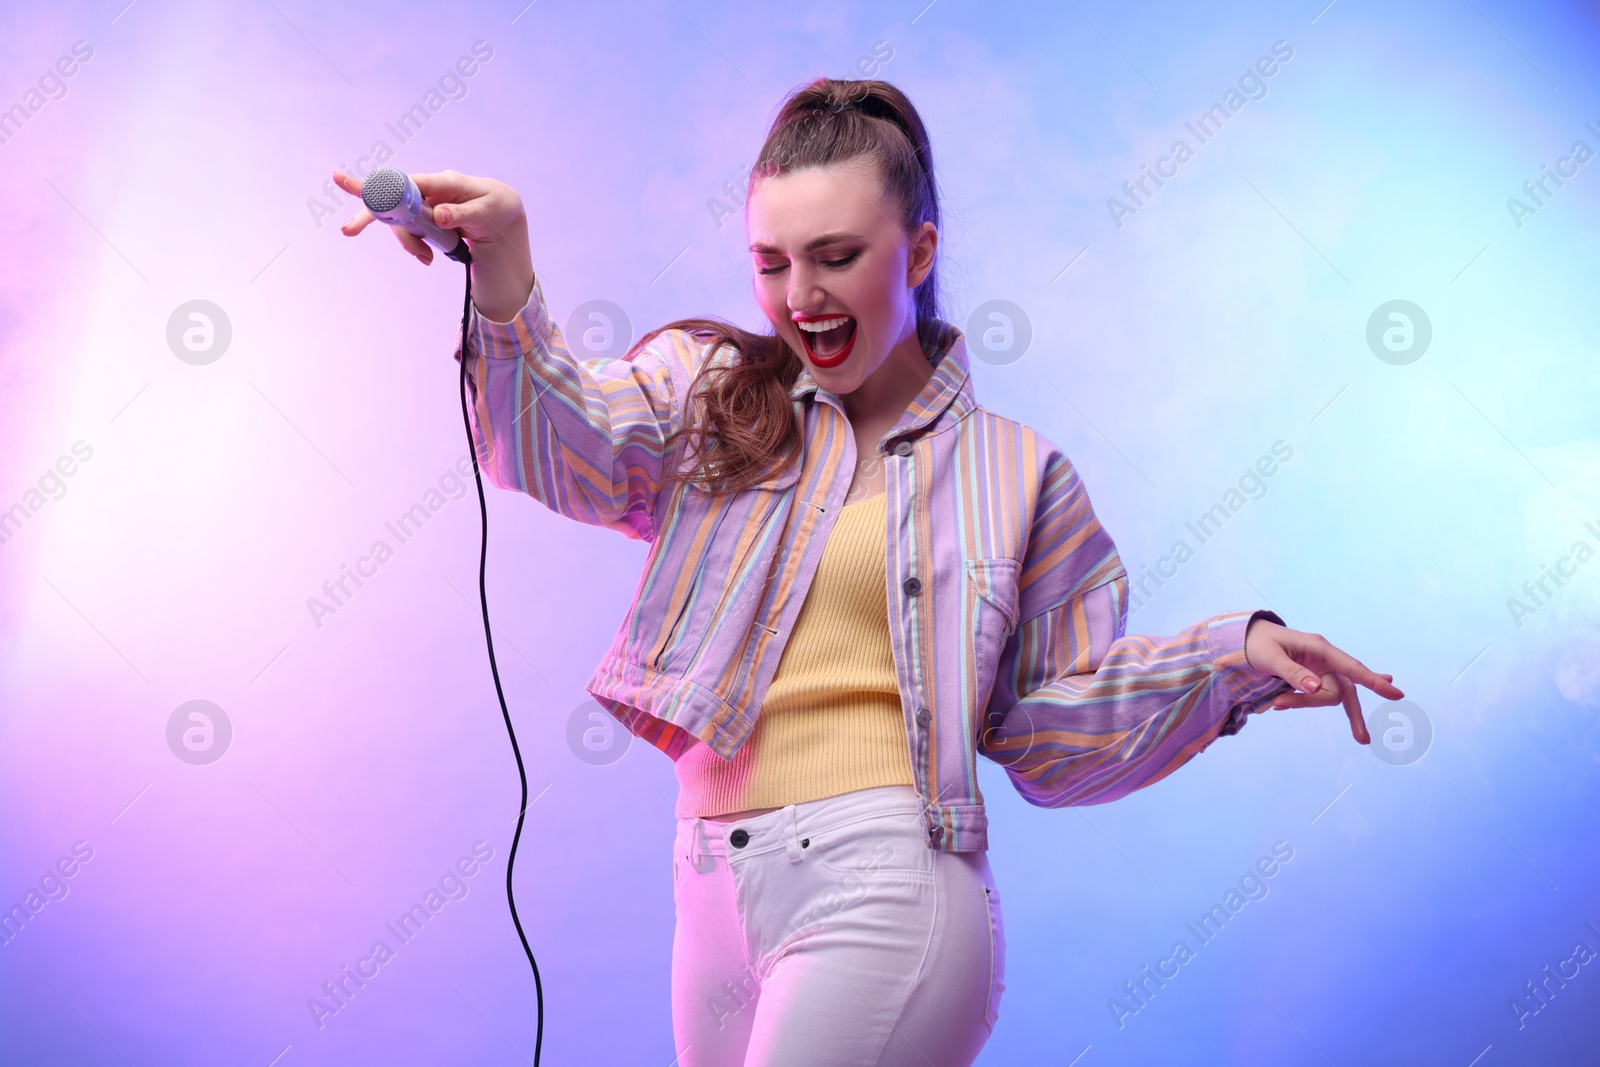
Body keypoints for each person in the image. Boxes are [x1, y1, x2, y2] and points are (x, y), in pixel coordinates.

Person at [335, 76, 1402, 1067]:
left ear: (920, 247)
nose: (798, 296)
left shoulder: (1016, 473)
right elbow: (553, 445)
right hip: (708, 882)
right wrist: (508, 264)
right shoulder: (711, 395)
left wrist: (1234, 655)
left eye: (836, 255)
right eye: (769, 261)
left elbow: (1051, 728)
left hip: (889, 882)